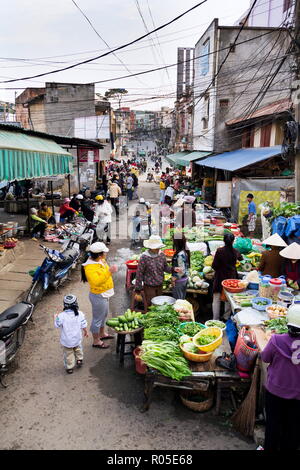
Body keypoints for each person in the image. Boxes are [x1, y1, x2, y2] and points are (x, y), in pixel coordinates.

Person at [261, 306, 300, 450]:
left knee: (273, 426)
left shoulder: (276, 340)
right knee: (293, 429)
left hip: (275, 391)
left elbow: (265, 358)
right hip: (297, 395)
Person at [82, 242, 118, 348]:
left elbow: (104, 271)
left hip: (104, 294)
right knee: (97, 319)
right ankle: (96, 341)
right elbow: (96, 282)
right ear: (99, 254)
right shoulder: (89, 267)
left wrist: (109, 270)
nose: (106, 254)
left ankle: (102, 334)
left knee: (104, 315)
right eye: (104, 252)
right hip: (98, 295)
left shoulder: (100, 260)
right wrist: (109, 272)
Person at [135, 235, 181, 309]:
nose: (158, 249)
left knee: (160, 306)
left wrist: (173, 269)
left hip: (159, 285)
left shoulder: (161, 255)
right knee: (151, 306)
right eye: (156, 247)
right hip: (149, 286)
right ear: (150, 247)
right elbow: (139, 274)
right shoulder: (144, 257)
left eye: (158, 247)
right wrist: (138, 290)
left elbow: (165, 267)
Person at [212, 233, 243, 320]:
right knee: (228, 299)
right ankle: (226, 317)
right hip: (231, 278)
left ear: (223, 241)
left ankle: (215, 319)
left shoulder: (219, 251)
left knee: (216, 298)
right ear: (233, 241)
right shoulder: (235, 251)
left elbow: (214, 265)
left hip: (219, 277)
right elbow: (241, 259)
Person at [54, 295, 88, 374]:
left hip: (67, 341)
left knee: (68, 354)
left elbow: (57, 325)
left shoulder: (61, 316)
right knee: (78, 349)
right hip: (77, 338)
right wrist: (85, 331)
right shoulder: (80, 313)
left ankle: (69, 367)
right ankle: (79, 360)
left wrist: (55, 317)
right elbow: (83, 324)